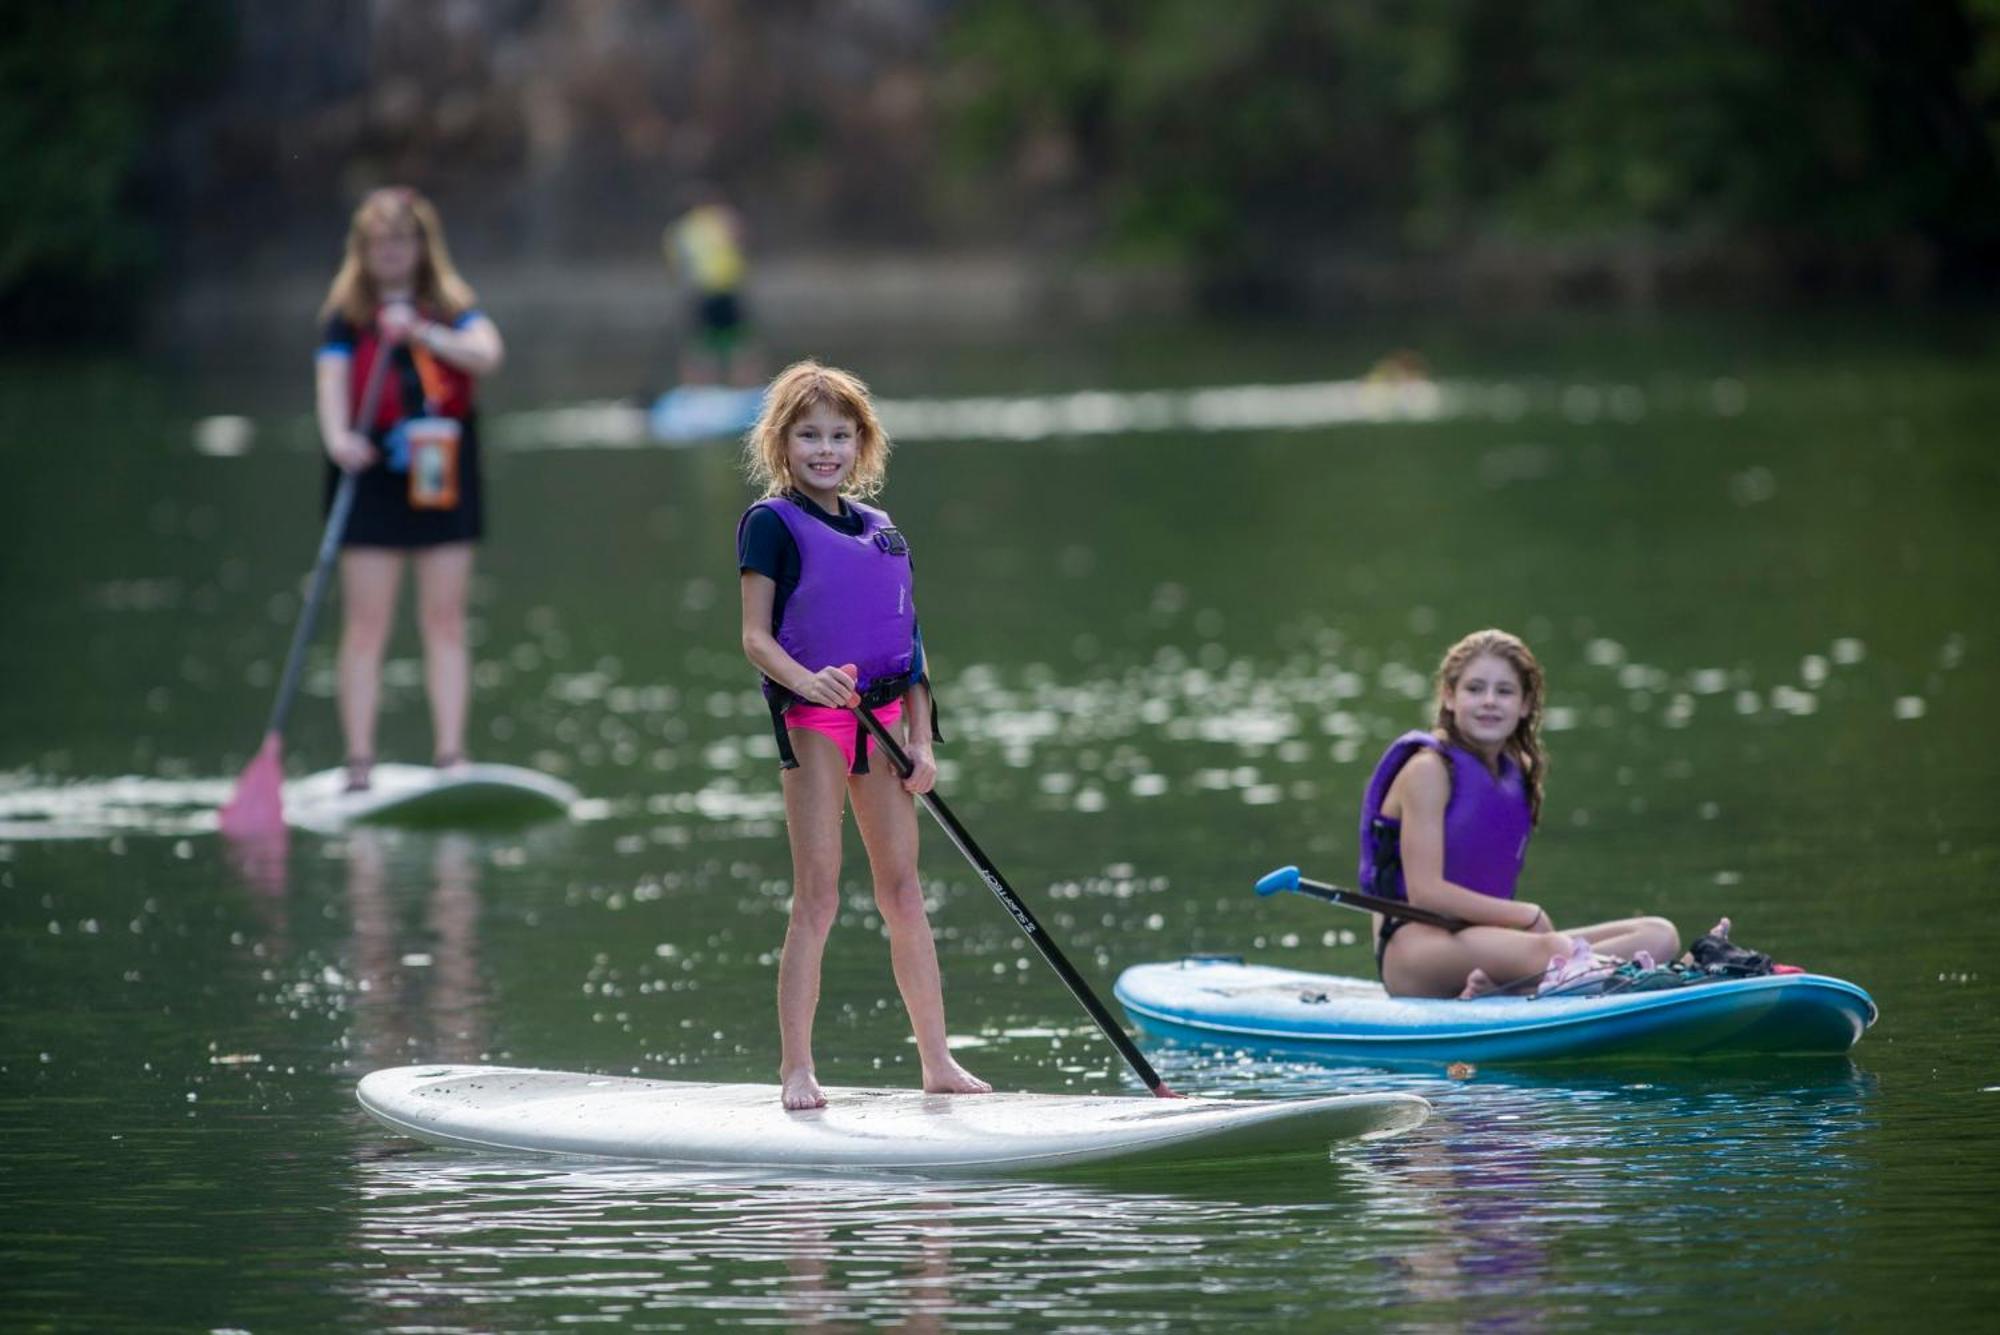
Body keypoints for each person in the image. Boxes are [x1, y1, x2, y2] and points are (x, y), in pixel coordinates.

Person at [736, 360, 990, 1110]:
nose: (825, 449)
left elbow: (909, 648)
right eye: (809, 435)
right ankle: (796, 1069)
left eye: (839, 436)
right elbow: (754, 637)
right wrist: (806, 681)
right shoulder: (769, 525)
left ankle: (938, 1060)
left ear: (861, 443)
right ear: (783, 443)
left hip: (883, 723)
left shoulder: (883, 532)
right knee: (817, 894)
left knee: (904, 891)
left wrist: (922, 741)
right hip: (816, 715)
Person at [1359, 629, 1681, 998]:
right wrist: (1526, 916)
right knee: (1555, 950)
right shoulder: (1427, 771)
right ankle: (1557, 979)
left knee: (1657, 934)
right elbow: (1425, 894)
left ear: (1526, 704)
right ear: (1449, 696)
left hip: (1486, 940)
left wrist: (1521, 925)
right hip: (1415, 950)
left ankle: (1509, 987)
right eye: (1475, 689)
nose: (1489, 701)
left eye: (1505, 691)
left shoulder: (1517, 771)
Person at [316, 186, 504, 792]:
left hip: (440, 472)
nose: (391, 252)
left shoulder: (451, 307)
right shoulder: (345, 314)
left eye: (401, 239)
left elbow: (486, 354)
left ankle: (451, 754)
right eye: (379, 242)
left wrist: (423, 333)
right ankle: (359, 761)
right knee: (366, 623)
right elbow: (330, 383)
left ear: (421, 245)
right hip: (370, 473)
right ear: (363, 251)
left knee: (444, 618)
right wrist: (339, 438)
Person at [664, 185, 758, 387]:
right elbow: (741, 243)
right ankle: (742, 386)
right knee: (737, 345)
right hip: (722, 292)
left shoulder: (679, 230)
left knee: (703, 346)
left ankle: (702, 389)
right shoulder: (724, 220)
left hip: (704, 295)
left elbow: (677, 267)